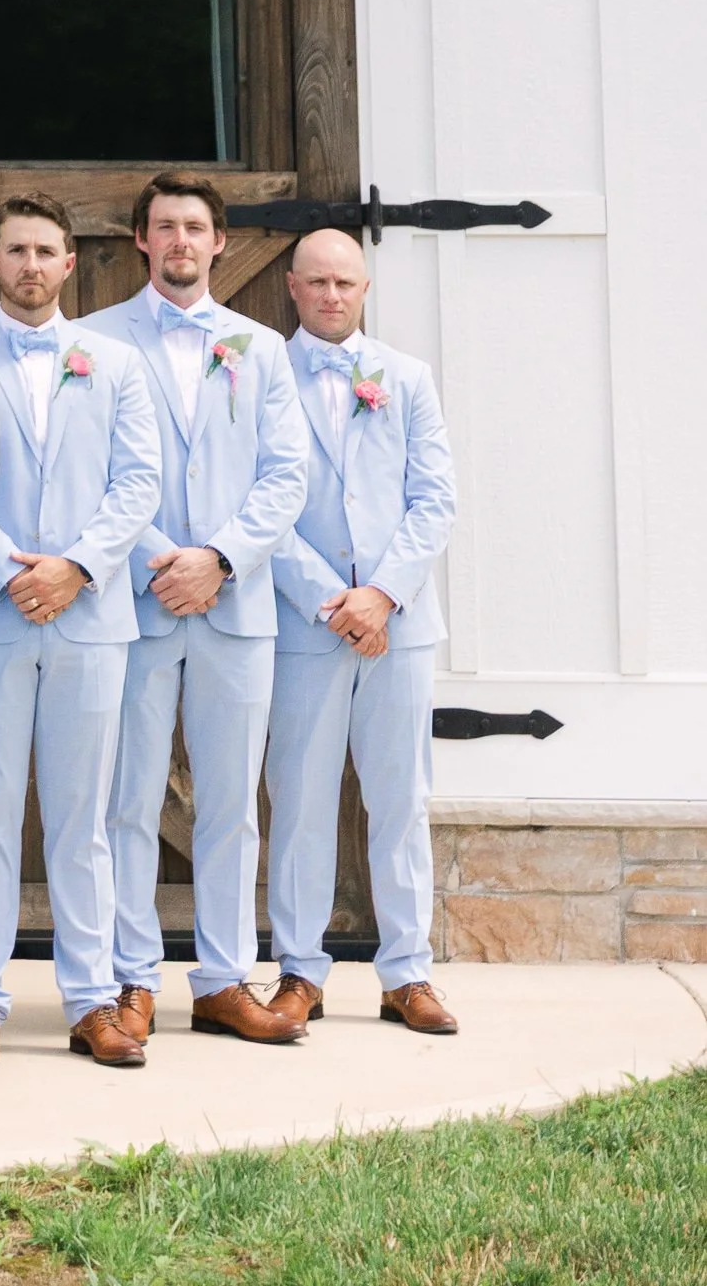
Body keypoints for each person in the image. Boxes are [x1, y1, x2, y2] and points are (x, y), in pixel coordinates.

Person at [83, 173, 310, 1044]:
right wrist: (159, 561)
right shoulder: (97, 341)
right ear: (141, 239)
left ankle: (222, 977)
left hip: (236, 604)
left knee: (230, 801)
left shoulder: (262, 349)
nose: (180, 239)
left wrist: (217, 558)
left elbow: (285, 474)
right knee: (127, 797)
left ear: (219, 241)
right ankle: (129, 976)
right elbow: (93, 470)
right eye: (164, 225)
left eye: (195, 226)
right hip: (134, 603)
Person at [0, 191, 162, 1069]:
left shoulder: (115, 363)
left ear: (70, 263)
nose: (32, 264)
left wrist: (76, 566)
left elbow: (139, 481)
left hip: (91, 617)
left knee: (86, 818)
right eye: (17, 249)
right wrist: (4, 569)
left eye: (46, 250)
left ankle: (90, 997)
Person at [263, 226, 460, 1036]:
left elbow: (434, 499)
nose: (331, 294)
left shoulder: (407, 378)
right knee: (300, 800)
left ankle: (407, 972)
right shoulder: (264, 373)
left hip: (398, 626)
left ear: (365, 287)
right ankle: (299, 970)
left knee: (401, 799)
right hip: (303, 626)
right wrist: (331, 600)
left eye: (345, 281)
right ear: (292, 285)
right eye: (317, 281)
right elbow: (258, 507)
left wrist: (379, 595)